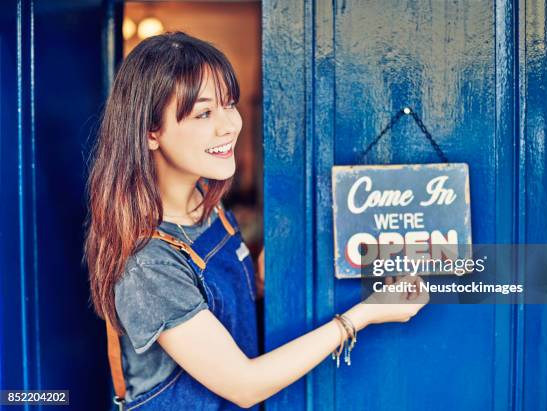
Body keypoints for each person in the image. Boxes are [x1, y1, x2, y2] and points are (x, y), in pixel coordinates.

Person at [84, 32, 429, 411]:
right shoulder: (147, 262)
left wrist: (261, 280)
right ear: (150, 132)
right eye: (204, 113)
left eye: (228, 105)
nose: (230, 125)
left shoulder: (204, 201)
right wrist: (364, 314)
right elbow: (244, 386)